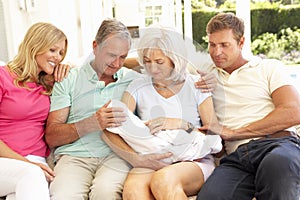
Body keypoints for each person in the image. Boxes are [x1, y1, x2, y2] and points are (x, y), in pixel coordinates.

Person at [45, 18, 172, 200]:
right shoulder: (68, 78)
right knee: (64, 195)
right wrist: (91, 123)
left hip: (117, 155)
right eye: (111, 55)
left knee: (105, 193)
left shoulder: (133, 80)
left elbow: (167, 68)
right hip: (75, 157)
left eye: (123, 57)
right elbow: (51, 136)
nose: (117, 63)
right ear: (95, 47)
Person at [103, 25, 226, 200]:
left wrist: (178, 123)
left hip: (193, 161)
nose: (152, 68)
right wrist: (136, 159)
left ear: (175, 60)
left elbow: (214, 135)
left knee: (163, 180)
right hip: (152, 158)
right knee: (133, 190)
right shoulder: (138, 86)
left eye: (159, 62)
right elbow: (114, 130)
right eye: (146, 61)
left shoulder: (198, 85)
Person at [195, 12, 300, 200]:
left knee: (278, 166)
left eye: (224, 45)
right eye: (212, 45)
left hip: (277, 145)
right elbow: (159, 57)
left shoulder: (268, 67)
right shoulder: (205, 72)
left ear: (241, 42)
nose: (217, 52)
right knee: (211, 196)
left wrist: (235, 133)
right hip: (238, 158)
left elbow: (293, 111)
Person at [0, 22, 69, 200]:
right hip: (6, 160)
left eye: (61, 53)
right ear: (35, 46)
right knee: (31, 175)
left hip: (35, 162)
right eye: (53, 50)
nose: (58, 57)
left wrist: (70, 70)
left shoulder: (48, 83)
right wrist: (27, 164)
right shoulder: (3, 77)